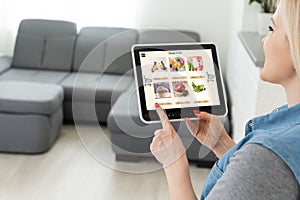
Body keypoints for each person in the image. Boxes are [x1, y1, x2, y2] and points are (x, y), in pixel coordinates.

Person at [150, 0, 300, 199]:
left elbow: (264, 168)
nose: (264, 40)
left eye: (271, 29)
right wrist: (221, 144)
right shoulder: (284, 136)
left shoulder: (268, 156)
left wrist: (174, 163)